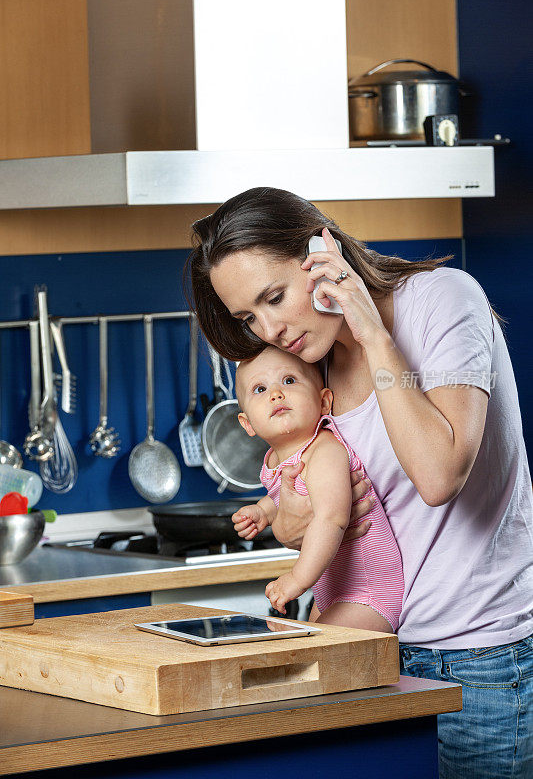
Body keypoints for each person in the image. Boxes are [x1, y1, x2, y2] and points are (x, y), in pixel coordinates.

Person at [186, 186, 533, 778]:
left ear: (322, 253)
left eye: (274, 297)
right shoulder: (308, 363)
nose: (269, 329)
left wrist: (372, 335)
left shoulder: (443, 302)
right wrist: (300, 517)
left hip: (477, 657)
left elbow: (438, 474)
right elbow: (298, 514)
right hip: (368, 653)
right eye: (249, 316)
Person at [232, 345, 404, 631]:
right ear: (248, 423)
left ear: (324, 402)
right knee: (310, 658)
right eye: (260, 389)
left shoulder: (325, 450)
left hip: (368, 593)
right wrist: (263, 512)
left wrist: (297, 579)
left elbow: (331, 518)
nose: (276, 393)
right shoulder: (275, 459)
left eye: (289, 381)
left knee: (314, 653)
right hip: (332, 592)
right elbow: (283, 497)